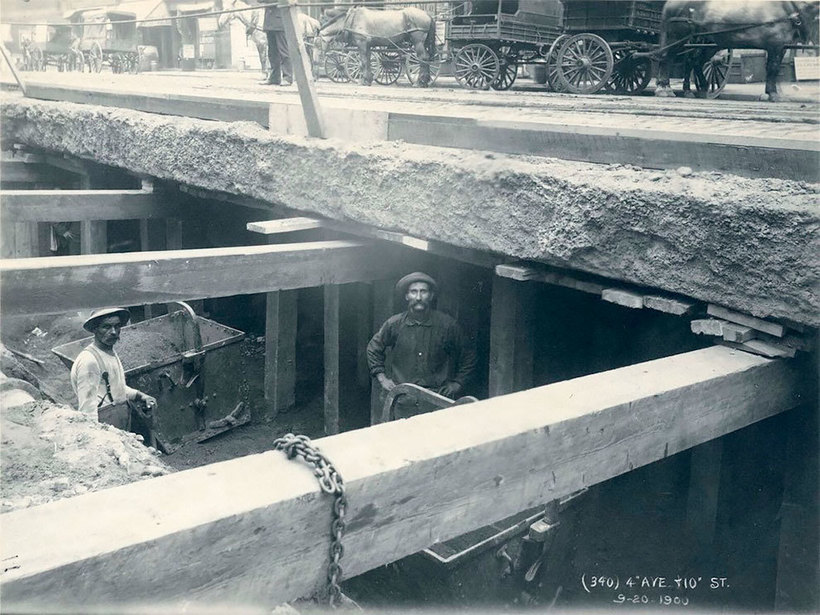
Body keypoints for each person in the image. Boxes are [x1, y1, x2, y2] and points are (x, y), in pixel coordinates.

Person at [367, 272, 476, 403]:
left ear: (431, 296)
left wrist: (457, 383)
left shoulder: (447, 325)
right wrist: (382, 378)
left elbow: (469, 353)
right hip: (403, 399)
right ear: (407, 296)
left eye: (423, 292)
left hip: (437, 398)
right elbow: (373, 349)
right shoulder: (394, 324)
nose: (418, 297)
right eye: (413, 292)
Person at [70, 307, 156, 431]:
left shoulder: (109, 352)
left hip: (117, 420)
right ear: (95, 329)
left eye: (117, 326)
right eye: (106, 327)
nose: (114, 332)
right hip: (105, 425)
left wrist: (140, 396)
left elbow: (115, 388)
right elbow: (87, 410)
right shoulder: (89, 361)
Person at [259, 2, 292, 85]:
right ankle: (274, 77)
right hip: (269, 22)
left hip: (280, 21)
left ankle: (287, 77)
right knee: (272, 53)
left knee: (283, 51)